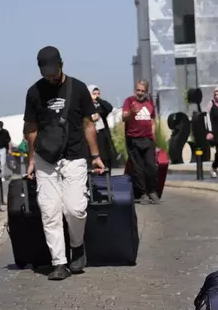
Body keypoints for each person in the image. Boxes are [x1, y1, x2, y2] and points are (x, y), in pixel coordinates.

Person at [23, 46, 105, 281]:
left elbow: (88, 124)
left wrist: (96, 155)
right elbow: (30, 129)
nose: (50, 76)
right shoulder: (34, 92)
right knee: (50, 211)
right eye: (45, 73)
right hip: (45, 158)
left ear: (62, 64)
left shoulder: (77, 88)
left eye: (53, 71)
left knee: (74, 208)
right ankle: (59, 261)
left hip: (75, 154)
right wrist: (31, 160)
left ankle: (77, 245)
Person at [122, 80, 160, 204]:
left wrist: (153, 137)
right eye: (138, 90)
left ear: (146, 92)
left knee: (151, 166)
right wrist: (132, 113)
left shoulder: (150, 103)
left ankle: (152, 191)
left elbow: (152, 120)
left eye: (142, 91)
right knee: (138, 169)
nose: (139, 93)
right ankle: (143, 193)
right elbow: (124, 117)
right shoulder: (129, 101)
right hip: (133, 139)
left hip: (147, 139)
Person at [88, 85, 117, 171]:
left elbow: (109, 108)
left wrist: (98, 99)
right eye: (94, 93)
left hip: (102, 136)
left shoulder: (100, 105)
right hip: (91, 136)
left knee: (105, 159)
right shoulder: (85, 105)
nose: (96, 95)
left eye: (98, 93)